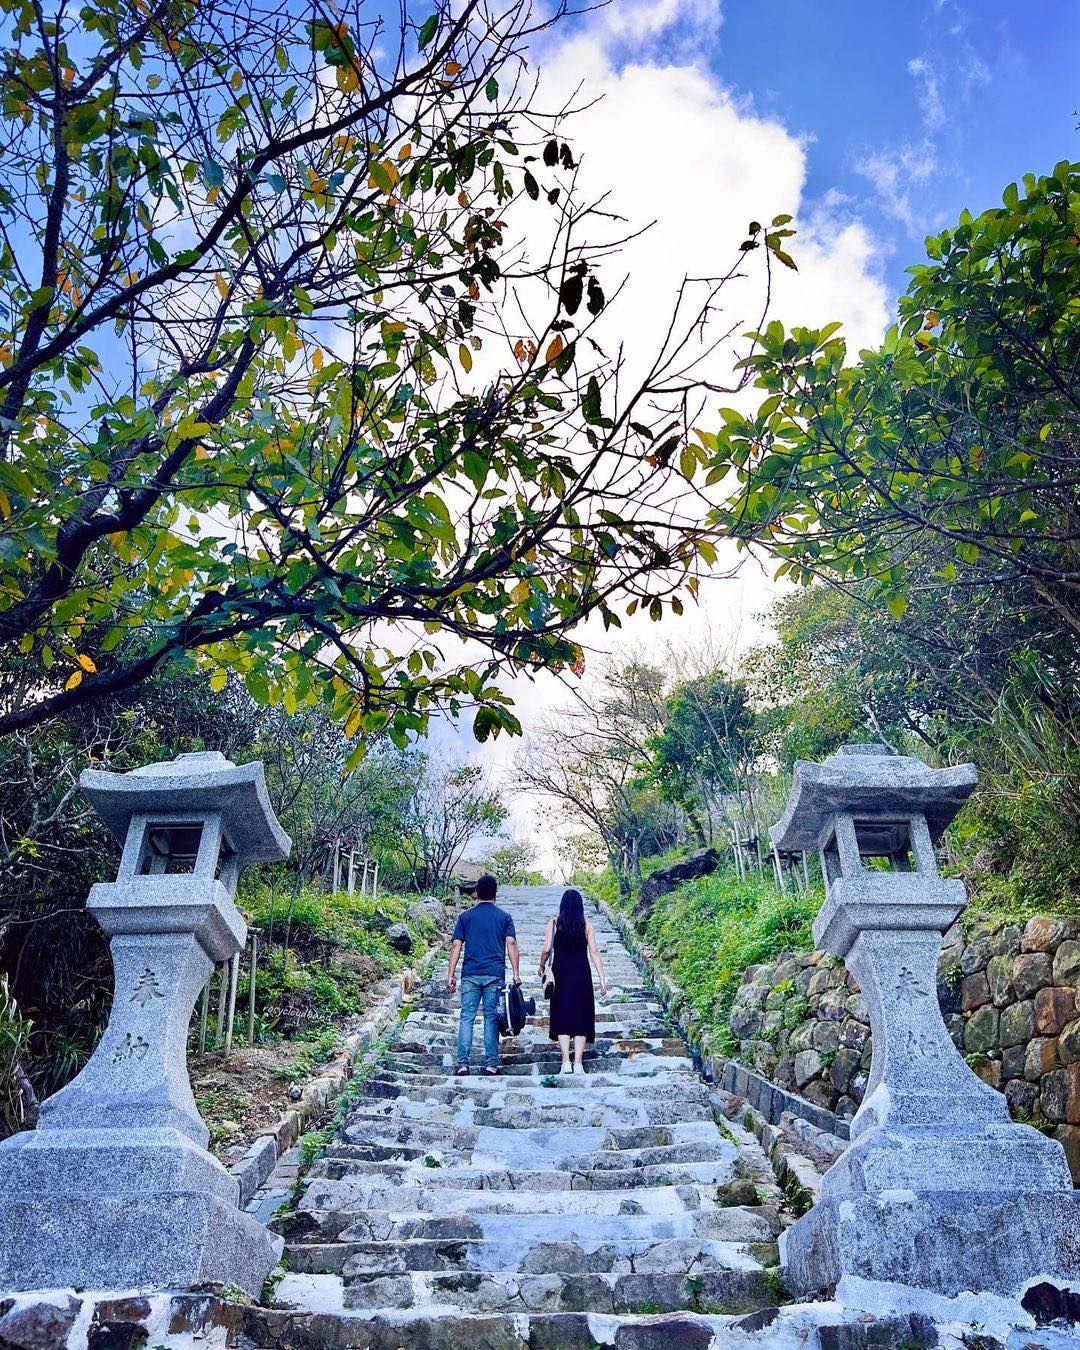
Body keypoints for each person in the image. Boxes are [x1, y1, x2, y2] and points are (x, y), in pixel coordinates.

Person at [447, 874, 520, 1076]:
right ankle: (491, 1064)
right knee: (491, 1018)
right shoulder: (504, 917)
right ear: (495, 894)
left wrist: (450, 974)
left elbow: (456, 945)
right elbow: (511, 943)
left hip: (470, 973)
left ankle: (462, 1064)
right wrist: (516, 973)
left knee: (467, 1017)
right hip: (494, 974)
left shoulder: (465, 917)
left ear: (477, 893)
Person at [537, 887, 607, 1076]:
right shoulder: (586, 925)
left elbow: (546, 949)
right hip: (581, 974)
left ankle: (565, 1062)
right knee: (581, 1016)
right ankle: (578, 1064)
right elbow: (594, 952)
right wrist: (602, 979)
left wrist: (542, 966)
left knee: (561, 1014)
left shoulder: (553, 923)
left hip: (561, 974)